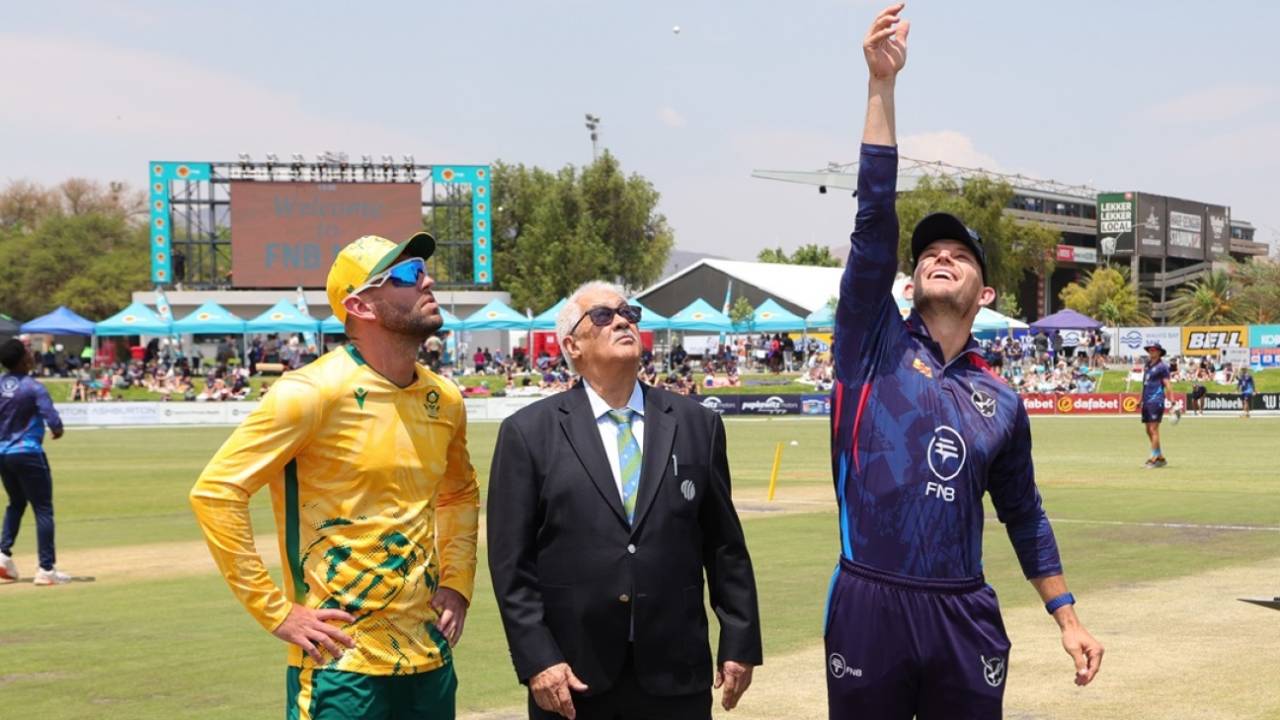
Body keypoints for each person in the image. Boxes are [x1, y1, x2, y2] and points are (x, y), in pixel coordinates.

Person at [824, 7, 1103, 717]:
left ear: (988, 292)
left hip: (963, 611)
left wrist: (1066, 614)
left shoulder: (1001, 399)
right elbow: (873, 216)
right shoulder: (870, 341)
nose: (940, 256)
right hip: (869, 601)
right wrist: (880, 88)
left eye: (959, 255)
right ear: (908, 281)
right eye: (928, 255)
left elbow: (1023, 513)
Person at [190, 232, 480, 719]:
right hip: (339, 664)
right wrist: (277, 611)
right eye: (407, 275)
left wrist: (457, 581)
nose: (427, 280)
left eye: (423, 270)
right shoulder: (309, 393)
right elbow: (216, 493)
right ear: (360, 307)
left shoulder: (444, 398)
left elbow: (459, 493)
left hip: (429, 655)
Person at [488, 281, 762, 720]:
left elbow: (725, 546)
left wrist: (740, 639)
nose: (621, 321)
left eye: (628, 313)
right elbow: (511, 564)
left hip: (676, 675)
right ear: (572, 346)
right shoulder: (528, 433)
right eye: (602, 315)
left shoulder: (698, 424)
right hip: (572, 679)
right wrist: (537, 658)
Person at [0, 339, 70, 585]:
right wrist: (58, 430)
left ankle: (3, 557)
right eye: (28, 352)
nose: (32, 355)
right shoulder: (33, 387)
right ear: (22, 360)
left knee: (16, 503)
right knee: (43, 509)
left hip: (3, 454)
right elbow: (53, 419)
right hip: (28, 452)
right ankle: (46, 570)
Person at [1141, 341, 1173, 466]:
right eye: (1150, 349)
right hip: (1146, 401)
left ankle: (1153, 458)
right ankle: (1160, 456)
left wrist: (1172, 399)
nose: (1151, 351)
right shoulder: (1147, 365)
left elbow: (1168, 384)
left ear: (1159, 352)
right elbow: (1144, 384)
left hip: (1157, 400)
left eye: (1154, 349)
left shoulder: (1162, 367)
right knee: (1148, 430)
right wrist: (1140, 399)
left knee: (1154, 429)